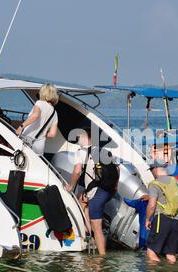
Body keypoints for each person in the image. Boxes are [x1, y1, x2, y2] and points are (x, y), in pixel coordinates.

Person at [66, 127, 118, 256]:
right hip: (109, 190)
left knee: (97, 227)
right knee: (82, 199)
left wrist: (70, 186)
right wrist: (115, 186)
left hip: (97, 194)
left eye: (79, 137)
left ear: (85, 137)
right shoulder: (103, 150)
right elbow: (117, 170)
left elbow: (77, 171)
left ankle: (101, 257)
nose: (77, 140)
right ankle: (87, 230)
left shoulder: (81, 152)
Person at [145, 161, 178, 263]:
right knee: (171, 255)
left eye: (152, 170)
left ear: (156, 169)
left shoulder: (154, 184)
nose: (152, 173)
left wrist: (147, 219)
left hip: (162, 219)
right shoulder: (176, 181)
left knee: (151, 251)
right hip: (176, 220)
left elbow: (152, 205)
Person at [16, 84, 59, 155]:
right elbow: (52, 134)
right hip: (40, 144)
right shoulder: (54, 113)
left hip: (27, 138)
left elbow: (35, 115)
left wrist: (21, 127)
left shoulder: (40, 103)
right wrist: (42, 133)